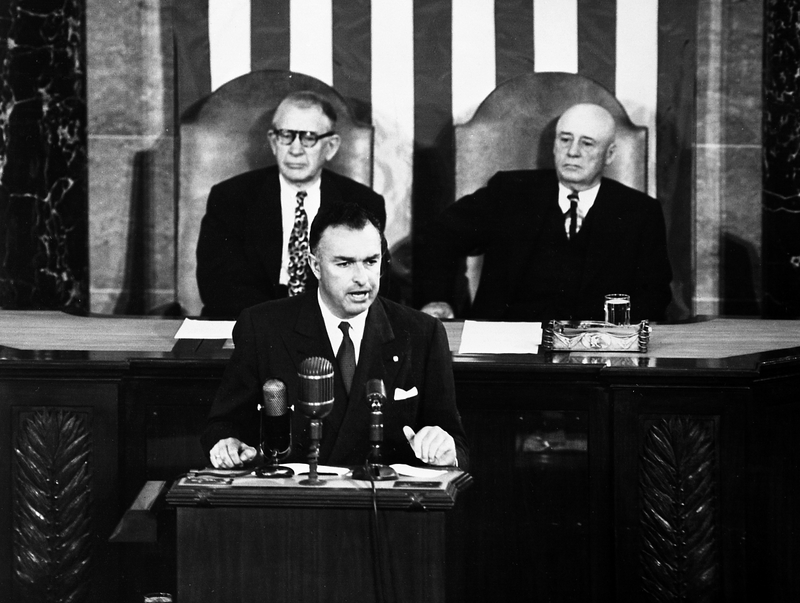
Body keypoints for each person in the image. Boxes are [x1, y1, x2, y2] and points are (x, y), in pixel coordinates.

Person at [202, 201, 468, 470]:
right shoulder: (263, 327)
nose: (362, 278)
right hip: (296, 503)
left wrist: (447, 450)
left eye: (371, 261)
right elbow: (223, 425)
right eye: (345, 264)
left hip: (385, 504)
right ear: (315, 266)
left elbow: (457, 444)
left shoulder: (422, 332)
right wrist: (228, 443)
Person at [420, 102, 672, 323]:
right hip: (506, 352)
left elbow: (654, 295)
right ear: (554, 145)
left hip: (595, 358)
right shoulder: (509, 193)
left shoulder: (640, 213)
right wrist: (438, 299)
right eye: (565, 139)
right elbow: (441, 235)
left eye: (587, 143)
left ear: (610, 154)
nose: (573, 151)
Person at [196, 90, 386, 318]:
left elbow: (365, 284)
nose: (295, 150)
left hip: (325, 324)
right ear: (274, 142)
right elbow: (217, 286)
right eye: (286, 135)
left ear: (331, 146)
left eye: (308, 138)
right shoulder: (230, 197)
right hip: (252, 321)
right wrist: (278, 326)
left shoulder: (363, 202)